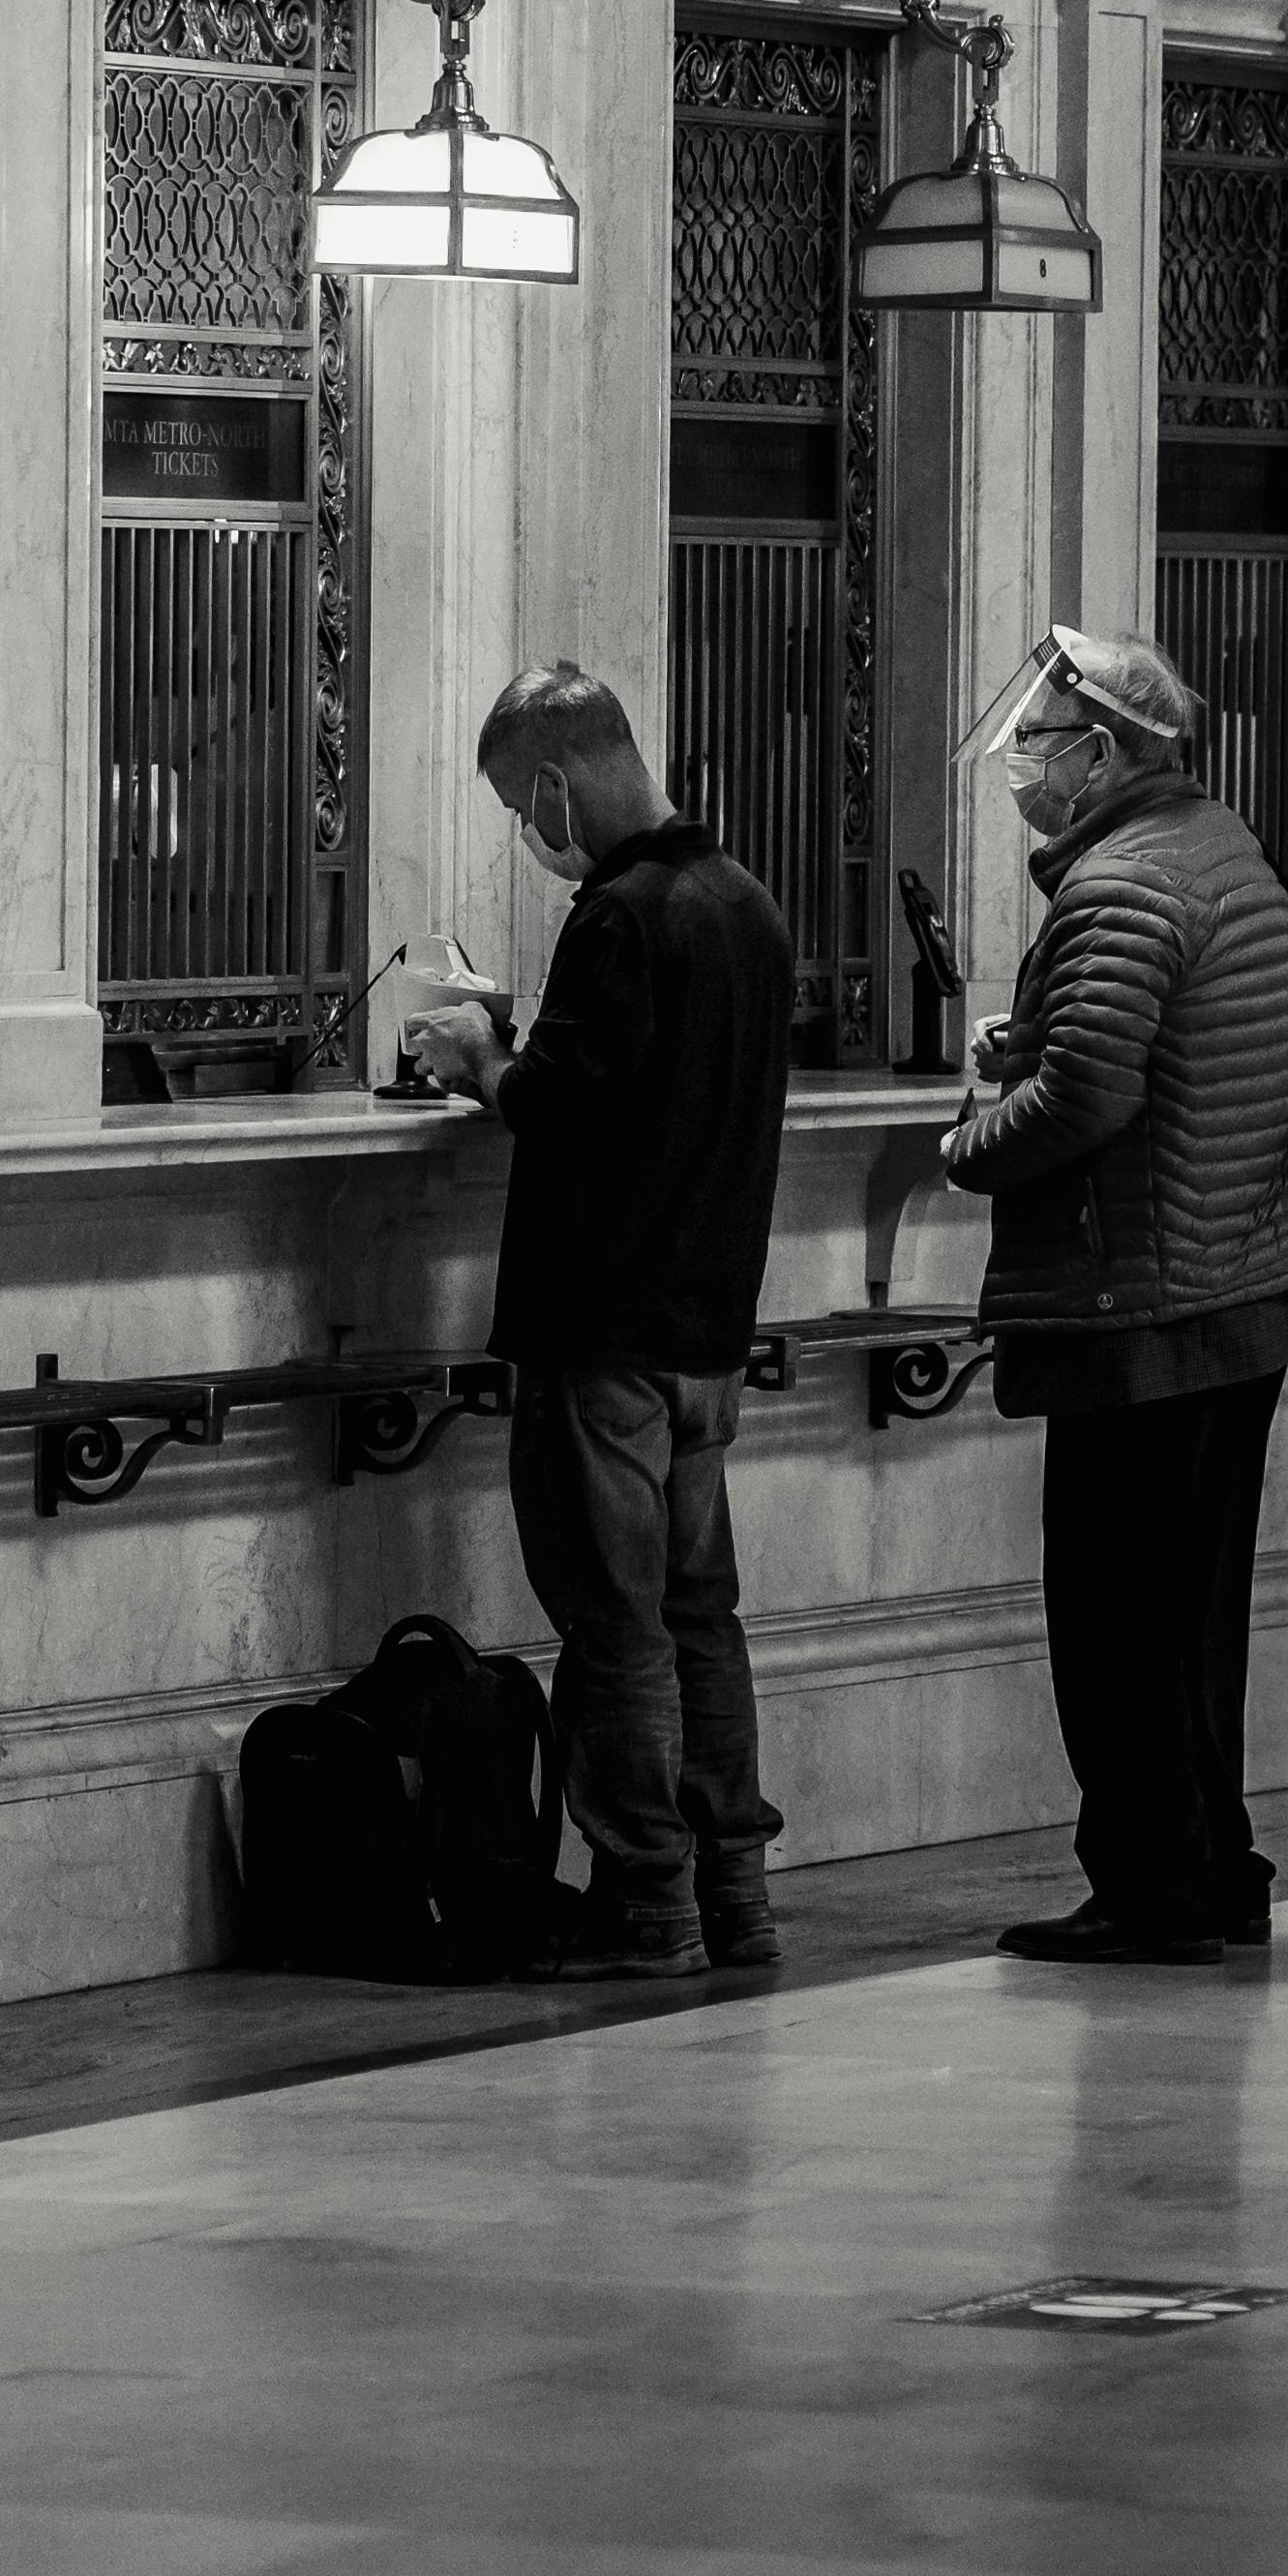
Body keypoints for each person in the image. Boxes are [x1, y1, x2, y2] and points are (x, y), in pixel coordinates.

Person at [943, 628, 1288, 1971]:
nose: (1022, 764)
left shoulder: (1122, 884)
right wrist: (1040, 1043)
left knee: (1116, 1612)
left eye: (1038, 740)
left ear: (1101, 750)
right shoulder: (1217, 847)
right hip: (1237, 1286)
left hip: (1140, 1301)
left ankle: (1147, 1880)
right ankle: (1211, 1862)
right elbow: (1169, 1051)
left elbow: (1090, 1098)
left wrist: (972, 1135)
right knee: (1194, 1612)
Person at [411, 664, 793, 1978]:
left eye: (524, 801)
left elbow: (565, 1106)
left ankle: (649, 1900)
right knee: (702, 1618)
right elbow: (669, 1080)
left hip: (605, 1334)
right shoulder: (747, 906)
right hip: (706, 1330)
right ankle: (735, 1894)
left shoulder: (619, 918)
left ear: (560, 780)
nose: (530, 829)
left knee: (616, 1624)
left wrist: (478, 1063)